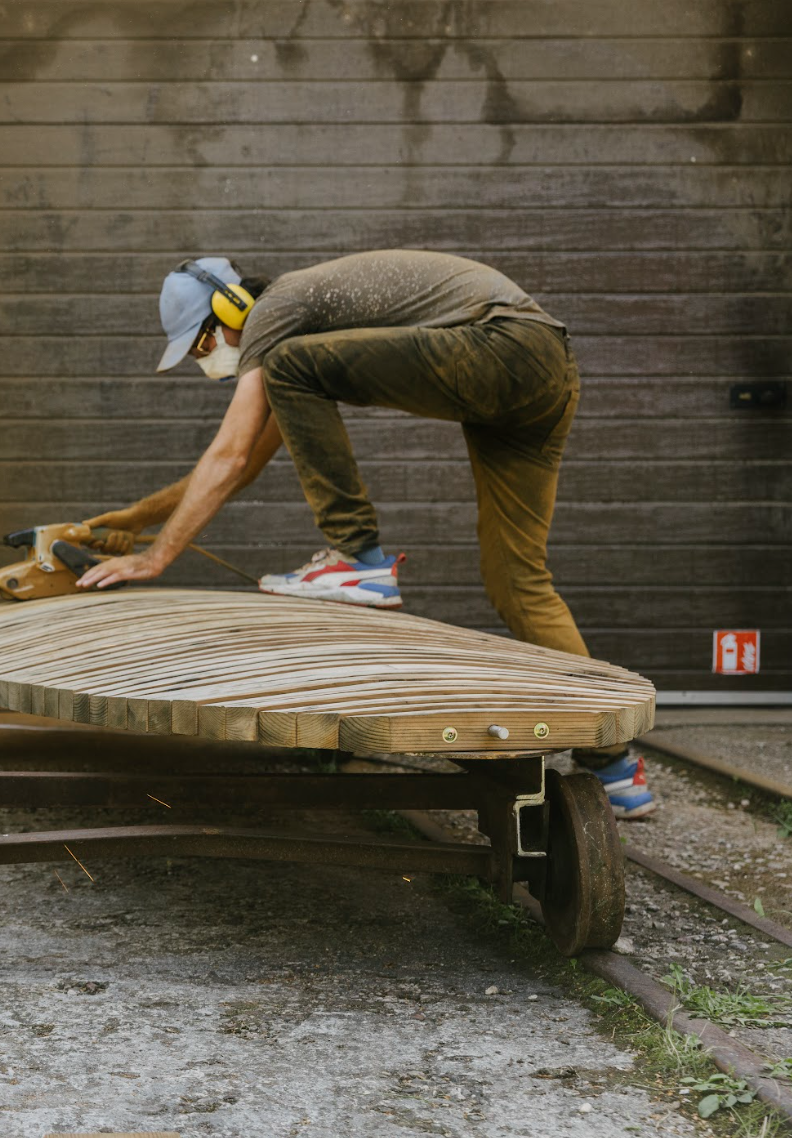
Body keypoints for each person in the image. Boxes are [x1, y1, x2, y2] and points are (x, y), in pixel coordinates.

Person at [76, 250, 652, 819]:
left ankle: (358, 557)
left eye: (203, 343)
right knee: (516, 581)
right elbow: (244, 463)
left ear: (231, 308)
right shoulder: (297, 361)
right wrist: (137, 518)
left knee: (288, 365)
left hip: (502, 343)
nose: (208, 360)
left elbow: (229, 456)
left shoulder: (274, 315)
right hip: (544, 371)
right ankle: (615, 766)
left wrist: (155, 559)